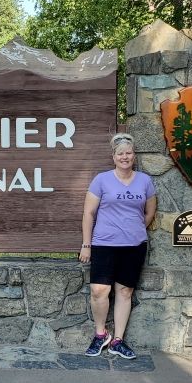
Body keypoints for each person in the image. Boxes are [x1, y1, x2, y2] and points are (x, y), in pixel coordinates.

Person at [79, 133, 157, 359]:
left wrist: (134, 229)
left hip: (133, 246)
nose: (125, 157)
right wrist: (86, 244)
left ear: (134, 155)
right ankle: (100, 334)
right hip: (104, 244)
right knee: (99, 290)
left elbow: (150, 211)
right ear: (113, 156)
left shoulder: (144, 181)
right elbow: (88, 213)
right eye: (120, 153)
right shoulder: (101, 180)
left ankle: (118, 340)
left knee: (125, 291)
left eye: (129, 153)